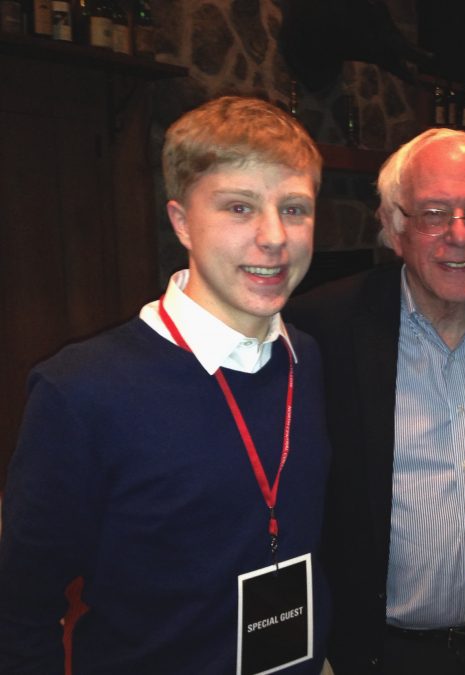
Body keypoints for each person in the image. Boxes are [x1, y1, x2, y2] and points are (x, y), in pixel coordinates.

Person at [0, 96, 331, 674]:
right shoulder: (80, 391)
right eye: (239, 207)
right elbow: (20, 609)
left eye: (295, 209)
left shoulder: (306, 356)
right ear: (181, 221)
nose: (274, 237)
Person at [283, 127, 465, 674]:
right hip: (380, 654)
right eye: (434, 214)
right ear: (394, 227)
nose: (460, 235)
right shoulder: (320, 330)